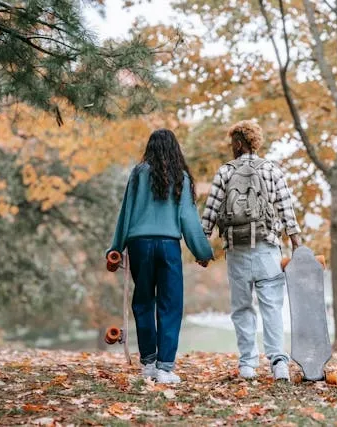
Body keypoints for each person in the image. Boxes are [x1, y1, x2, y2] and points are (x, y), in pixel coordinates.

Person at [105, 129, 213, 384]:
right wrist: (202, 252)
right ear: (176, 149)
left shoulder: (138, 173)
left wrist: (115, 247)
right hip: (168, 245)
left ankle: (149, 363)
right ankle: (165, 368)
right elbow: (188, 218)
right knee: (170, 304)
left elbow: (126, 211)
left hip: (139, 244)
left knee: (143, 301)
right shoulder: (181, 177)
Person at [201, 120, 302, 381]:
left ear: (238, 142)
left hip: (237, 250)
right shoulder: (271, 169)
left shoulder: (225, 172)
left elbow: (210, 211)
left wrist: (202, 244)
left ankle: (247, 364)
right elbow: (285, 207)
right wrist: (296, 242)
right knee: (271, 306)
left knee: (242, 308)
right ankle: (278, 362)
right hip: (268, 249)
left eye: (232, 142)